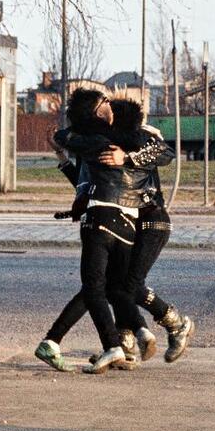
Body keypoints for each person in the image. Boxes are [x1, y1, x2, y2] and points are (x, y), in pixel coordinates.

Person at [37, 99, 195, 372]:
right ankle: (125, 343)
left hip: (151, 219)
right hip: (127, 221)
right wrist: (63, 156)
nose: (104, 111)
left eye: (107, 108)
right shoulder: (105, 142)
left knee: (126, 286)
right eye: (99, 108)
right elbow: (89, 182)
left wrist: (128, 156)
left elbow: (165, 153)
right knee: (113, 285)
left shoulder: (137, 138)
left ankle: (174, 324)